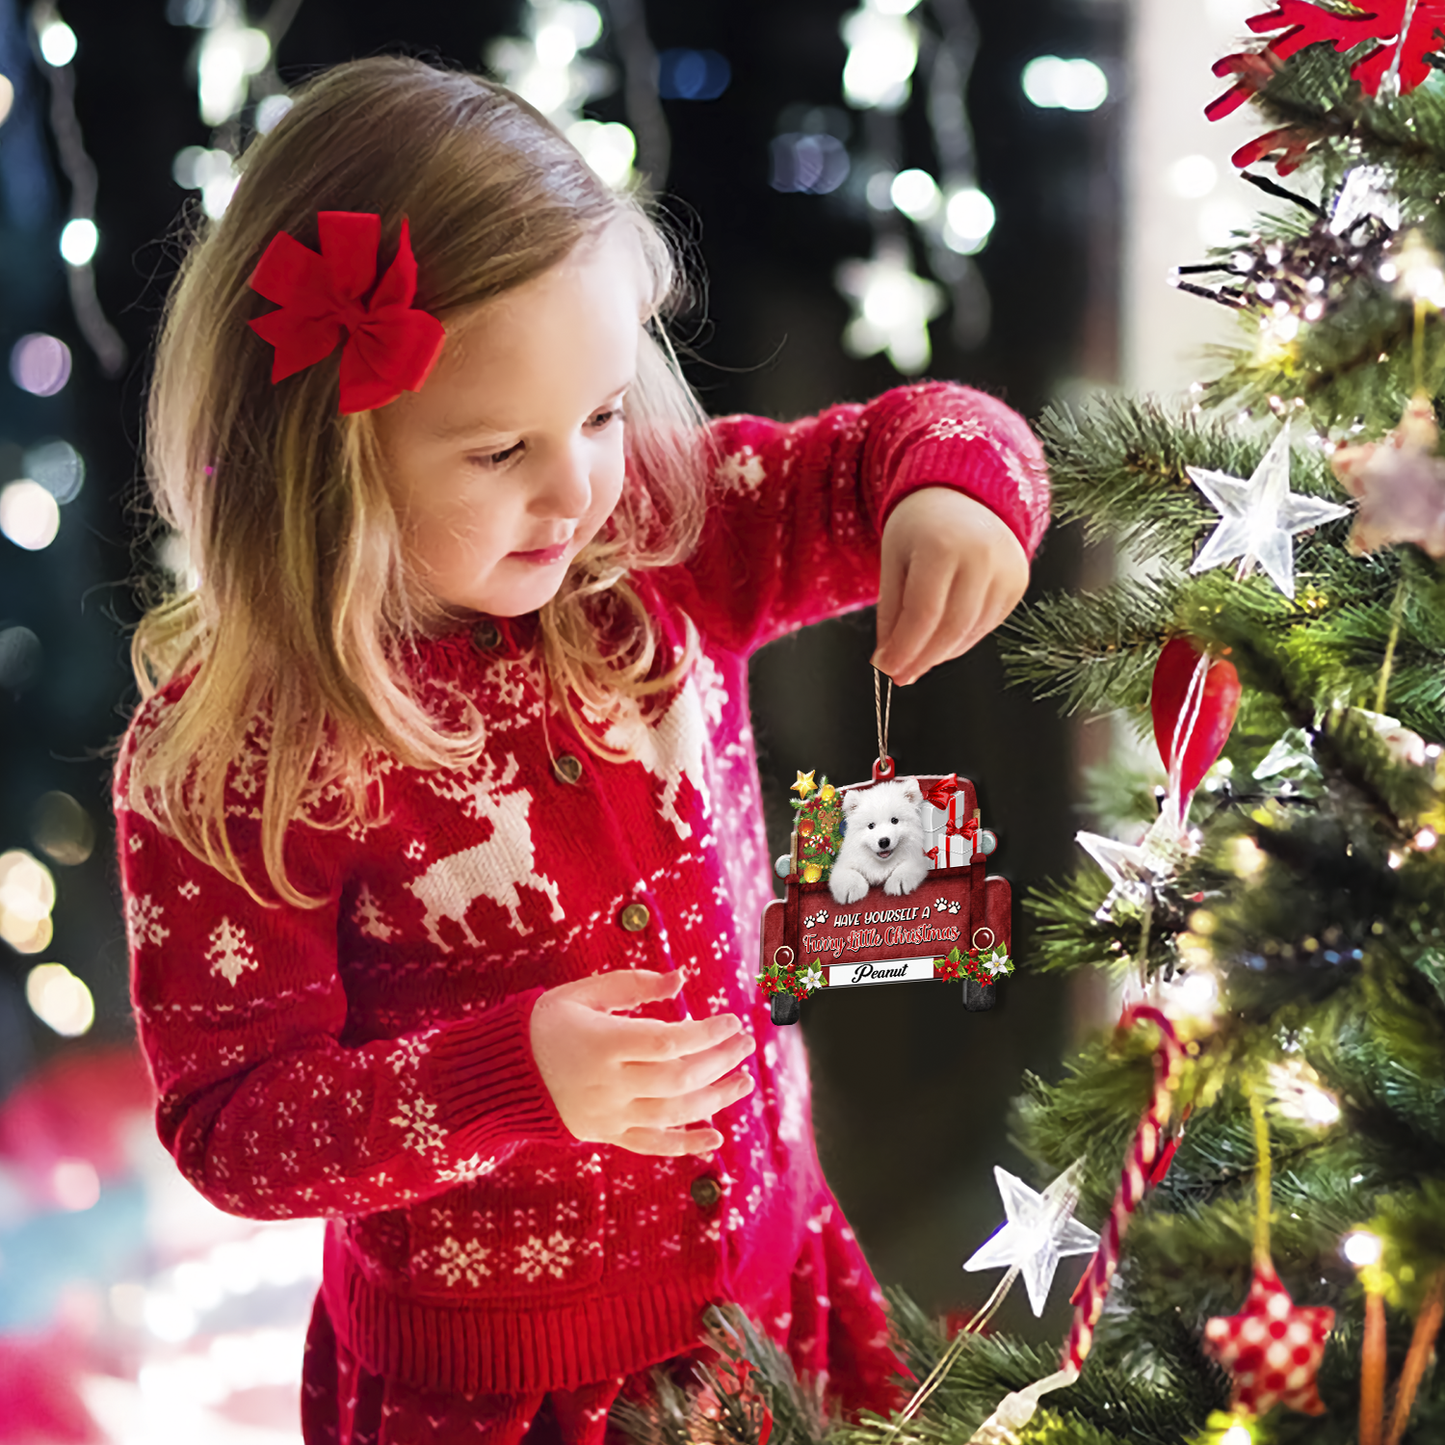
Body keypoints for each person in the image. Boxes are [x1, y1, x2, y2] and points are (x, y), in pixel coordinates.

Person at [115, 56, 1050, 1445]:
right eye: (499, 452)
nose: (577, 488)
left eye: (605, 413)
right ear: (321, 454)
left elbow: (907, 443)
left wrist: (957, 496)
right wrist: (509, 1079)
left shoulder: (662, 542)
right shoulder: (238, 754)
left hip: (767, 1283)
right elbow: (232, 1129)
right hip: (503, 1390)